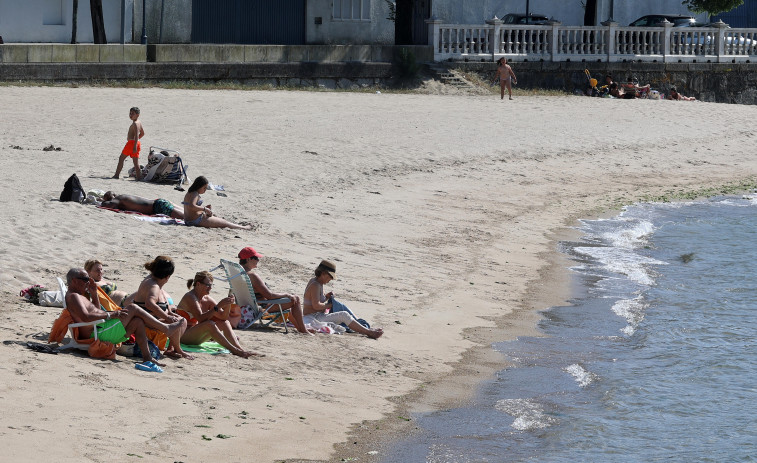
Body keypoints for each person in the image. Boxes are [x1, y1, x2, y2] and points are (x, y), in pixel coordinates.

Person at [62, 267, 186, 372]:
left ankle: (147, 357)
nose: (88, 282)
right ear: (74, 281)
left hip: (100, 328)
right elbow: (86, 317)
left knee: (138, 321)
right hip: (95, 334)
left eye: (89, 279)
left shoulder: (79, 296)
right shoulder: (74, 296)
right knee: (132, 308)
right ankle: (166, 328)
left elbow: (96, 310)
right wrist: (111, 315)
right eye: (85, 279)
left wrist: (94, 294)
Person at [176, 271, 260, 358]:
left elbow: (223, 317)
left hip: (195, 335)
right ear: (198, 284)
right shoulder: (190, 297)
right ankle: (235, 350)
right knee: (209, 324)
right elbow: (200, 319)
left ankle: (240, 349)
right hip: (183, 335)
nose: (210, 288)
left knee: (225, 323)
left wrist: (228, 305)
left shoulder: (207, 299)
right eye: (208, 285)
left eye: (211, 285)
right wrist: (218, 306)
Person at [123, 256, 191, 359]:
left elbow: (162, 300)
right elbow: (149, 304)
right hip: (146, 325)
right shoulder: (153, 286)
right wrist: (167, 317)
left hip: (151, 321)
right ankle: (177, 349)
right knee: (176, 322)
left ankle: (171, 349)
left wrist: (169, 312)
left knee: (181, 320)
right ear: (168, 276)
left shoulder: (153, 281)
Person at [238, 246, 314, 335]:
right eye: (256, 258)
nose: (258, 260)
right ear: (248, 259)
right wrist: (287, 294)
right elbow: (269, 295)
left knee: (287, 304)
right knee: (295, 299)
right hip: (260, 308)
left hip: (246, 306)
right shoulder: (253, 276)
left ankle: (301, 328)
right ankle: (304, 330)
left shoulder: (238, 274)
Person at [303, 260, 383, 339]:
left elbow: (317, 300)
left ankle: (365, 328)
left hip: (317, 316)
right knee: (344, 315)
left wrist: (327, 297)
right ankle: (369, 332)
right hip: (313, 318)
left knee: (343, 310)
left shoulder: (318, 282)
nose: (330, 279)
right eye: (330, 277)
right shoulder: (315, 285)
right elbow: (316, 306)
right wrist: (330, 305)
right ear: (323, 273)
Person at [183, 176, 251, 230]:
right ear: (199, 186)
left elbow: (190, 208)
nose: (205, 190)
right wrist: (205, 209)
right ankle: (244, 228)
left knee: (217, 219)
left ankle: (240, 226)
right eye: (204, 188)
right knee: (224, 223)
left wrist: (204, 209)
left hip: (188, 220)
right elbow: (192, 206)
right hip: (195, 221)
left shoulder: (189, 193)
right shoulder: (195, 194)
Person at [100, 191, 184, 219]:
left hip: (158, 207)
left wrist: (102, 201)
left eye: (107, 197)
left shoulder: (118, 199)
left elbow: (109, 206)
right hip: (159, 203)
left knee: (187, 217)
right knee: (187, 215)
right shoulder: (122, 197)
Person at [113, 107, 145, 180]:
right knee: (136, 162)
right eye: (130, 113)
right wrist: (136, 142)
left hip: (131, 144)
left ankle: (116, 175)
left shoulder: (135, 124)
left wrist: (134, 144)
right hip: (136, 143)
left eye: (132, 114)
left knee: (121, 158)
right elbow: (142, 133)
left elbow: (137, 135)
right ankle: (139, 177)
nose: (130, 115)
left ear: (137, 115)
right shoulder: (139, 122)